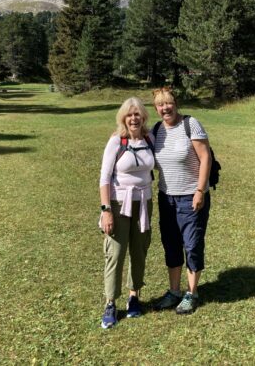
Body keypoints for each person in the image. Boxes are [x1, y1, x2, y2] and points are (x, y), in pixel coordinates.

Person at [152, 87, 212, 314]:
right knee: (171, 244)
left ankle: (191, 292)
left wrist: (200, 191)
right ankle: (174, 291)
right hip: (166, 198)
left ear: (176, 103)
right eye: (160, 104)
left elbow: (205, 157)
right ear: (156, 108)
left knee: (192, 244)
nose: (165, 108)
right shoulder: (157, 130)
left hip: (190, 196)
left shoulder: (191, 124)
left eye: (168, 103)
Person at [99, 97, 155, 329]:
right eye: (130, 114)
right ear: (124, 117)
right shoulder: (116, 141)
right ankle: (111, 302)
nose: (134, 118)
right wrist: (106, 211)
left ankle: (134, 296)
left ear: (143, 117)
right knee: (116, 252)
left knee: (139, 250)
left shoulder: (149, 139)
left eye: (138, 114)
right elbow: (104, 178)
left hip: (144, 202)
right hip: (119, 203)